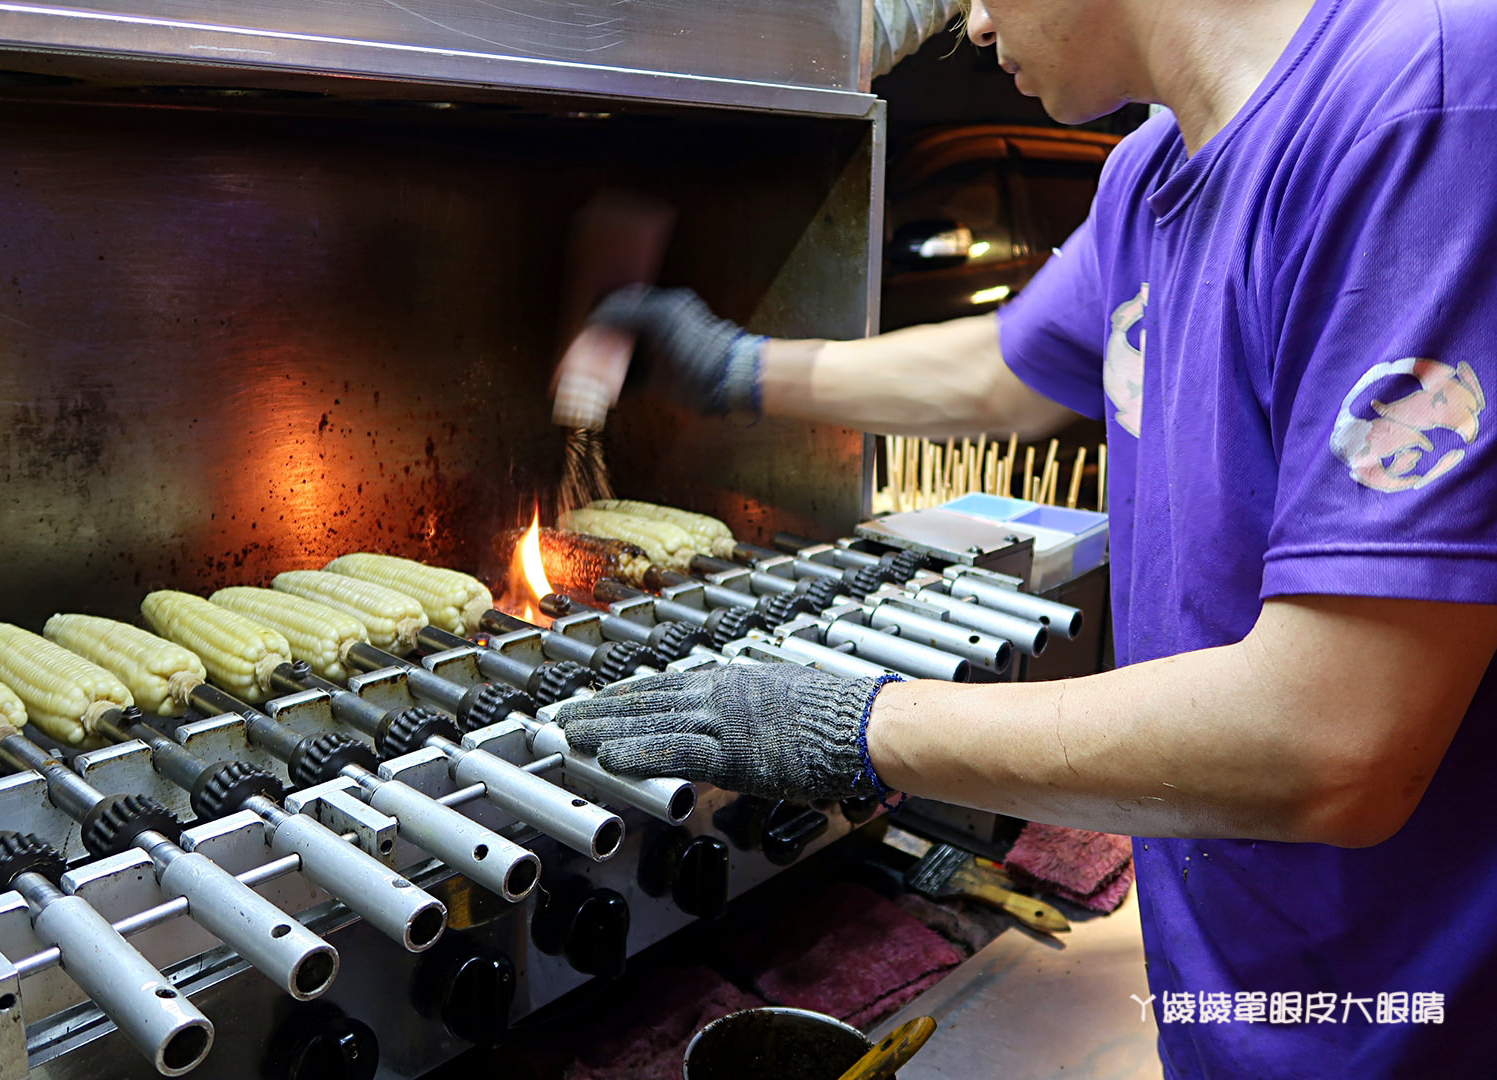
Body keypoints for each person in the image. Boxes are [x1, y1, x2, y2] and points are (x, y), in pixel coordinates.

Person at [550, 0, 1497, 1076]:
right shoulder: (1148, 172)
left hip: (1411, 1009)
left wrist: (857, 725)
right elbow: (1004, 370)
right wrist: (731, 366)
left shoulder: (1429, 103)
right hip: (1225, 968)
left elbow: (1336, 743)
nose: (973, 21)